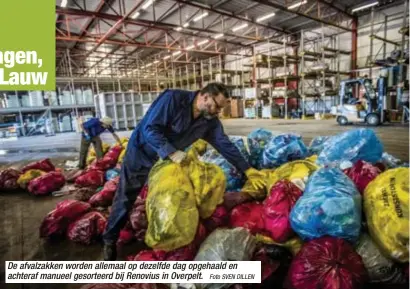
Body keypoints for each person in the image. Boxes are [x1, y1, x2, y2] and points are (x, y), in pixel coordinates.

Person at [102, 83, 266, 260]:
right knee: (126, 196)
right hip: (142, 154)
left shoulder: (208, 121)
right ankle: (110, 240)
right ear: (204, 96)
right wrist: (171, 152)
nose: (217, 111)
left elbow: (224, 144)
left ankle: (164, 235)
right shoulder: (173, 99)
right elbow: (150, 129)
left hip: (167, 163)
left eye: (220, 108)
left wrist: (247, 170)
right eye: (216, 106)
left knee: (170, 198)